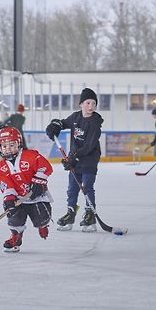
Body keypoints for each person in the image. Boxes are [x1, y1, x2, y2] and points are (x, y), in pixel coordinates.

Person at [45, 87, 103, 232]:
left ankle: (90, 215)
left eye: (94, 104)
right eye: (88, 103)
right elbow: (63, 123)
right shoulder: (75, 117)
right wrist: (54, 126)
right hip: (74, 159)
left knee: (87, 187)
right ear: (81, 104)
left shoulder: (95, 123)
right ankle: (70, 214)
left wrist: (74, 157)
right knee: (72, 189)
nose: (91, 107)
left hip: (89, 159)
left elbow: (89, 146)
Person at [0, 126, 53, 253]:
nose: (8, 149)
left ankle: (43, 225)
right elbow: (6, 184)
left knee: (41, 217)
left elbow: (45, 166)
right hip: (19, 199)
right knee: (14, 216)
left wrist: (39, 180)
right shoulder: (0, 167)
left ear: (19, 144)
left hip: (36, 196)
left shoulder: (31, 155)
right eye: (4, 146)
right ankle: (16, 236)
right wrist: (9, 199)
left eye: (11, 145)